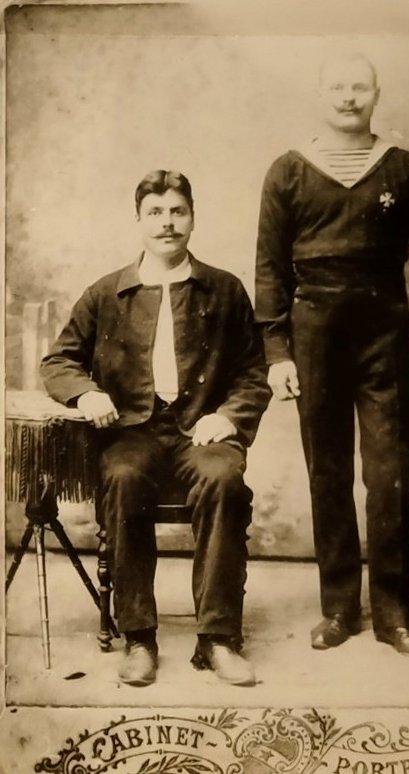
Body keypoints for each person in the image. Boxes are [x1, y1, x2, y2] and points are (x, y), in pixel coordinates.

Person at [254, 53, 409, 658]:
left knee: (388, 472)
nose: (348, 96)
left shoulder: (403, 169)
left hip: (384, 328)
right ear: (319, 94)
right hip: (314, 332)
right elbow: (270, 270)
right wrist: (277, 352)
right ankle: (337, 608)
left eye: (360, 86)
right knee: (327, 471)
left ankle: (392, 612)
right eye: (337, 85)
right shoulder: (288, 171)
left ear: (377, 94)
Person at [41, 169, 270, 686]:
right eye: (156, 212)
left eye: (177, 211)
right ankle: (139, 638)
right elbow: (59, 361)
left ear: (192, 218)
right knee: (121, 479)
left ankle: (218, 639)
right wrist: (87, 394)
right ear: (139, 220)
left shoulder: (224, 289)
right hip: (132, 432)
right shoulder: (106, 293)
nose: (167, 223)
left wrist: (227, 416)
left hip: (201, 431)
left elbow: (253, 373)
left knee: (223, 480)